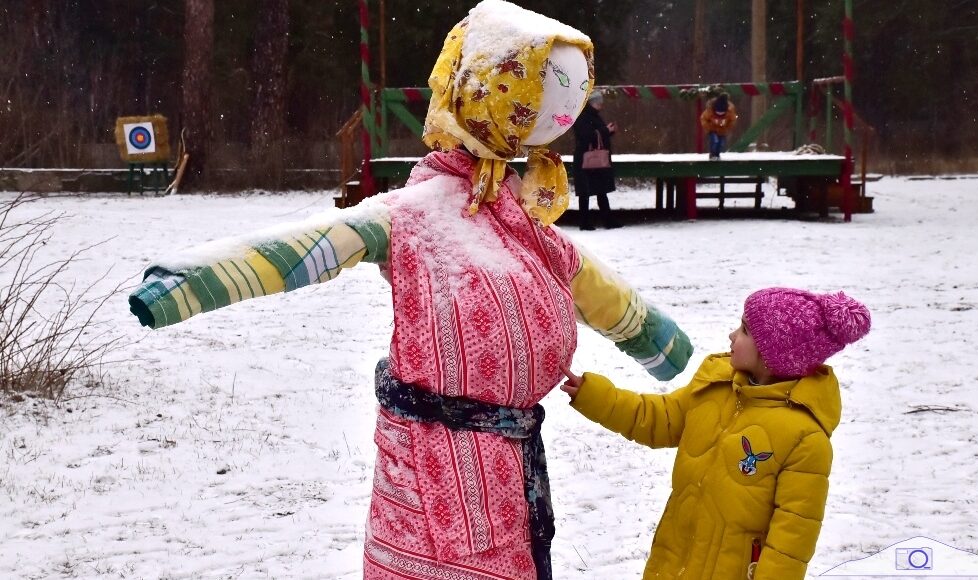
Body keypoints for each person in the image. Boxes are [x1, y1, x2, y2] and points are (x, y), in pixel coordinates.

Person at [128, 1, 694, 579]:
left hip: (509, 461)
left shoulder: (514, 215)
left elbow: (583, 278)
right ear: (488, 90)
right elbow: (312, 247)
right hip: (436, 464)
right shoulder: (411, 217)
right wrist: (193, 284)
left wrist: (654, 339)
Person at [561, 287, 871, 580]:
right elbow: (658, 418)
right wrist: (594, 395)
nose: (732, 336)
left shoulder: (805, 439)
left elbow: (792, 539)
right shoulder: (716, 387)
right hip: (674, 558)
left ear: (773, 353)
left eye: (745, 331)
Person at [572, 91, 621, 230]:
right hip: (586, 158)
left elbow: (596, 134)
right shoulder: (583, 116)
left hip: (591, 158)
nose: (601, 105)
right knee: (586, 192)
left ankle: (606, 220)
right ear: (593, 103)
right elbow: (586, 136)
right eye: (599, 102)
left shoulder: (591, 115)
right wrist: (605, 130)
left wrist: (608, 131)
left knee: (600, 190)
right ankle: (586, 222)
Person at [700, 92, 738, 160]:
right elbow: (703, 118)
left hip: (722, 130)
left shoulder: (730, 113)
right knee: (714, 141)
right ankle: (712, 154)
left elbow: (733, 120)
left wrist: (727, 127)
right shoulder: (709, 111)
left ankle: (717, 154)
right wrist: (708, 127)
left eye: (722, 113)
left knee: (721, 143)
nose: (720, 114)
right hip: (712, 129)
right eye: (718, 112)